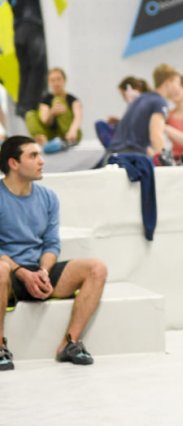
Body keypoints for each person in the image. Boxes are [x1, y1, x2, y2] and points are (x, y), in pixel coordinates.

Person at [0, 136, 109, 369]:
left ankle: (70, 343)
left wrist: (43, 272)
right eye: (33, 156)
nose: (41, 161)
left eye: (40, 155)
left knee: (96, 268)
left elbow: (51, 243)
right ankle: (0, 347)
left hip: (38, 269)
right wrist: (21, 273)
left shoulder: (48, 197)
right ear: (13, 163)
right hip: (9, 271)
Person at [107, 64, 183, 158]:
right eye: (177, 83)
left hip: (113, 155)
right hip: (131, 158)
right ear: (168, 83)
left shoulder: (141, 98)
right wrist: (165, 161)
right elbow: (156, 136)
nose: (179, 88)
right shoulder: (160, 103)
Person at [25, 68, 83, 146]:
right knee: (30, 114)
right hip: (52, 134)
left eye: (58, 79)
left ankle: (68, 139)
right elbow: (45, 120)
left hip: (70, 132)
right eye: (52, 80)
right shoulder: (46, 100)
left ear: (64, 80)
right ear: (49, 82)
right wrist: (52, 112)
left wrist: (73, 131)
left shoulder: (72, 100)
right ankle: (42, 139)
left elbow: (78, 116)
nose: (56, 83)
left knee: (57, 100)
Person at [96, 77, 149, 147]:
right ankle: (115, 146)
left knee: (100, 125)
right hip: (130, 135)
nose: (123, 99)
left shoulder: (142, 103)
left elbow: (136, 125)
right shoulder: (135, 105)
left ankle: (114, 147)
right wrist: (118, 121)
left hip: (134, 139)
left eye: (123, 95)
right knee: (100, 124)